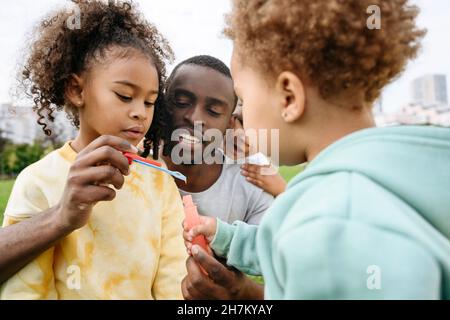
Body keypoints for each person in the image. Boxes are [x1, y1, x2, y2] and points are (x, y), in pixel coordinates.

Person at [185, 0, 450, 299]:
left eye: (243, 97)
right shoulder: (387, 178)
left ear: (288, 98)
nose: (239, 117)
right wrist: (229, 238)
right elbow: (292, 240)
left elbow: (318, 237)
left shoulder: (335, 221)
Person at [1, 0, 186, 299]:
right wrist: (62, 216)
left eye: (150, 102)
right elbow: (26, 291)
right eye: (125, 96)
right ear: (77, 90)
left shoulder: (159, 179)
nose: (140, 112)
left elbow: (173, 284)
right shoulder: (38, 180)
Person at [161, 55, 272, 299]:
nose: (195, 118)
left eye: (212, 110)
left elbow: (289, 283)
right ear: (161, 105)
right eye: (180, 102)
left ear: (230, 124)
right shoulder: (137, 169)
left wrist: (240, 291)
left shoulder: (251, 181)